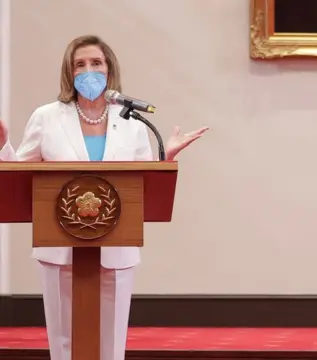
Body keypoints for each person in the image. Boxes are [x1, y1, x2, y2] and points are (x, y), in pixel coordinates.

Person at [0, 35, 208, 360]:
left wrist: (165, 159)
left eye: (96, 63)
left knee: (110, 344)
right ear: (69, 74)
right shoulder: (47, 117)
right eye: (79, 64)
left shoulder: (133, 125)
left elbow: (144, 187)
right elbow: (18, 175)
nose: (88, 71)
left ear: (109, 70)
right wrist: (3, 145)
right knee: (64, 343)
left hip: (116, 251)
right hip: (59, 250)